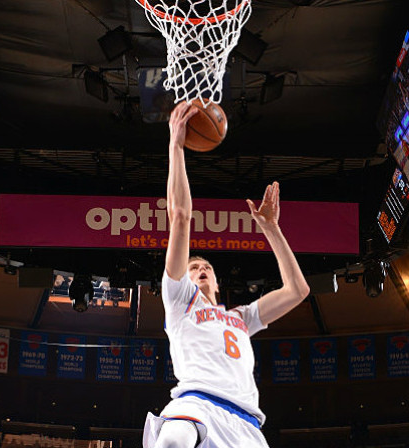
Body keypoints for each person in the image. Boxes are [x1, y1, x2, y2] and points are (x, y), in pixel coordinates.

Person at [142, 102, 311, 448]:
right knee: (172, 441)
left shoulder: (241, 318)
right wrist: (175, 145)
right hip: (196, 405)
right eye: (194, 268)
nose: (201, 269)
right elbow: (180, 216)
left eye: (207, 268)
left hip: (245, 424)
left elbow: (297, 290)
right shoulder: (179, 300)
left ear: (218, 283)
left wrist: (271, 228)